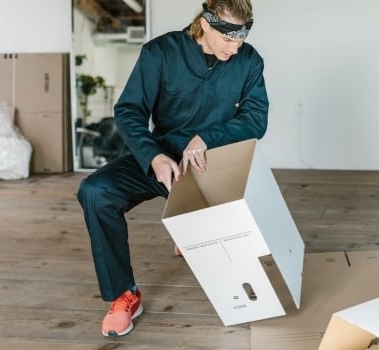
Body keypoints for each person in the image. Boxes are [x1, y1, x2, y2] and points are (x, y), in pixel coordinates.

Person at [76, 0, 268, 337]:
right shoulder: (159, 53)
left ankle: (190, 227)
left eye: (241, 39)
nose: (236, 48)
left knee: (233, 242)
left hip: (210, 166)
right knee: (95, 191)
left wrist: (207, 137)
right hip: (161, 159)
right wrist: (153, 156)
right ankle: (125, 294)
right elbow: (129, 110)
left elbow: (256, 120)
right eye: (228, 39)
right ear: (206, 24)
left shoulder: (249, 61)